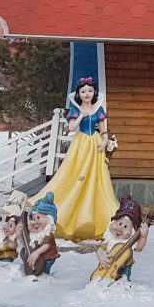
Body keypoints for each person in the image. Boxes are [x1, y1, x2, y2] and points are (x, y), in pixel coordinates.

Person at [31, 77, 118, 241]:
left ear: (94, 93)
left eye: (90, 91)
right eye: (84, 91)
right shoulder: (75, 109)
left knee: (97, 174)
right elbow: (71, 128)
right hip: (82, 143)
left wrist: (105, 141)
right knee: (76, 171)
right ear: (79, 93)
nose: (87, 94)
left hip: (96, 144)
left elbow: (103, 128)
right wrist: (80, 116)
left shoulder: (98, 109)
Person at [94, 195, 149, 282]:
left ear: (132, 231)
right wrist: (101, 256)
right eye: (119, 224)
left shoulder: (129, 240)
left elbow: (138, 248)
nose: (120, 229)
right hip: (107, 264)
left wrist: (143, 237)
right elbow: (100, 249)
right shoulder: (110, 238)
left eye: (125, 226)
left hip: (124, 267)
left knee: (123, 281)